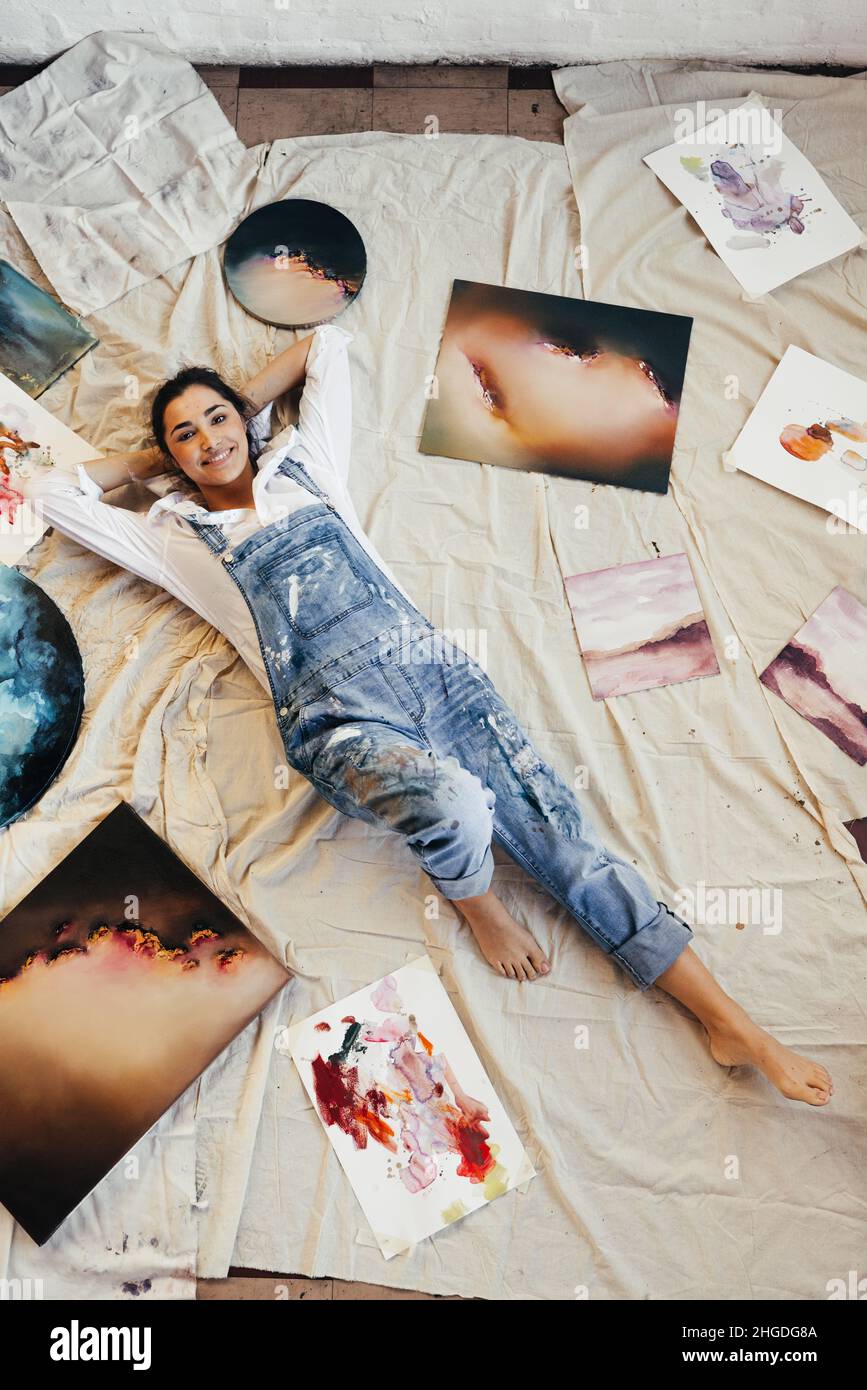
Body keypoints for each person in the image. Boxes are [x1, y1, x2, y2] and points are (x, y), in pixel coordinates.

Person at [11, 323, 833, 1107]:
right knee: (451, 803)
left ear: (248, 420)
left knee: (569, 851)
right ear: (172, 455)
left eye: (217, 418)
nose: (208, 439)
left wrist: (246, 406)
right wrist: (159, 463)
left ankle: (735, 1028)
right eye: (185, 434)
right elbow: (51, 489)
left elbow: (328, 348)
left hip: (444, 683)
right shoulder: (175, 534)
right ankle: (476, 901)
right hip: (339, 722)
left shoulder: (308, 468)